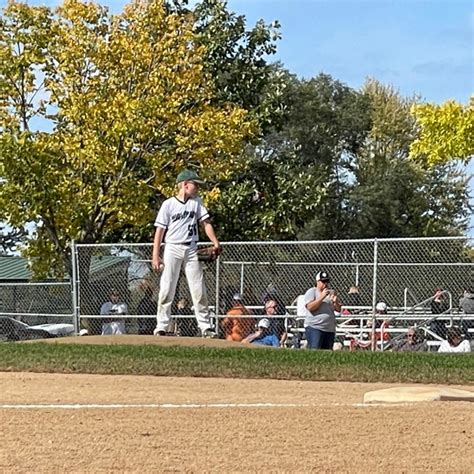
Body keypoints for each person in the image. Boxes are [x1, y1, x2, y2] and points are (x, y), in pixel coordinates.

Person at [152, 169, 221, 338]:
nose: (197, 188)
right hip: (172, 247)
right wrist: (155, 255)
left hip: (191, 248)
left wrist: (215, 242)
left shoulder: (196, 202)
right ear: (185, 184)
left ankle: (205, 327)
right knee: (167, 287)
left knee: (198, 288)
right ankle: (161, 326)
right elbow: (159, 231)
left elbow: (206, 223)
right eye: (194, 184)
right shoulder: (168, 204)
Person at [303, 271, 342, 350]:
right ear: (317, 282)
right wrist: (322, 297)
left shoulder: (330, 293)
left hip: (329, 329)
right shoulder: (312, 291)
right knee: (315, 351)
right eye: (323, 281)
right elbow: (310, 307)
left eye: (327, 281)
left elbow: (338, 309)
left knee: (327, 354)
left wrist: (335, 301)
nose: (325, 284)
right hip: (315, 327)